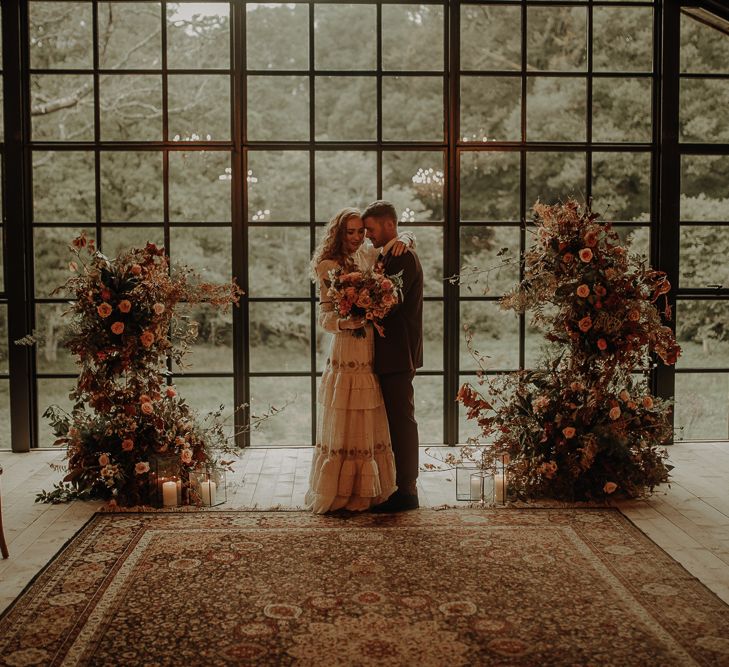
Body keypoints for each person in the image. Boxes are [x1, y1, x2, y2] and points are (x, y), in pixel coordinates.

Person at [305, 207, 413, 513]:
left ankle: (369, 490)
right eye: (349, 232)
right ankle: (339, 490)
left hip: (371, 348)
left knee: (368, 416)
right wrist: (344, 323)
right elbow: (324, 316)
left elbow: (393, 245)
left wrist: (407, 234)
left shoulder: (369, 255)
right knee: (344, 415)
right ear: (338, 233)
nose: (356, 238)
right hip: (345, 346)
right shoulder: (327, 265)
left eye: (360, 232)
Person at [362, 200, 423, 513]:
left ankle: (408, 490)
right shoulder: (388, 254)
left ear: (388, 225)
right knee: (396, 420)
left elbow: (389, 303)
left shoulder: (402, 257)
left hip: (398, 352)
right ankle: (400, 484)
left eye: (371, 229)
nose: (368, 235)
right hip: (390, 352)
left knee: (402, 421)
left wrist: (359, 305)